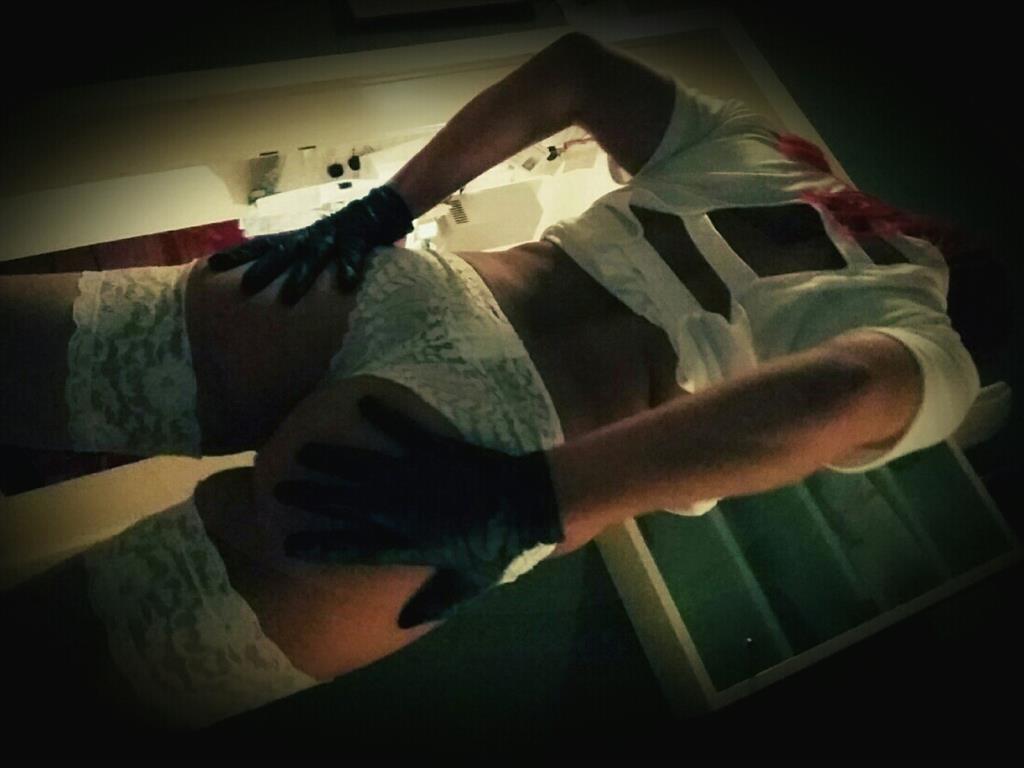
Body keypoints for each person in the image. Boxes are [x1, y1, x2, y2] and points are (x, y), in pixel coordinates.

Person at [0, 32, 984, 730]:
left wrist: (378, 214)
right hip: (487, 456)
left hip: (407, 291)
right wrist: (530, 499)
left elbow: (575, 68)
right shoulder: (928, 339)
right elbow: (837, 396)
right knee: (56, 671)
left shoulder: (771, 158)